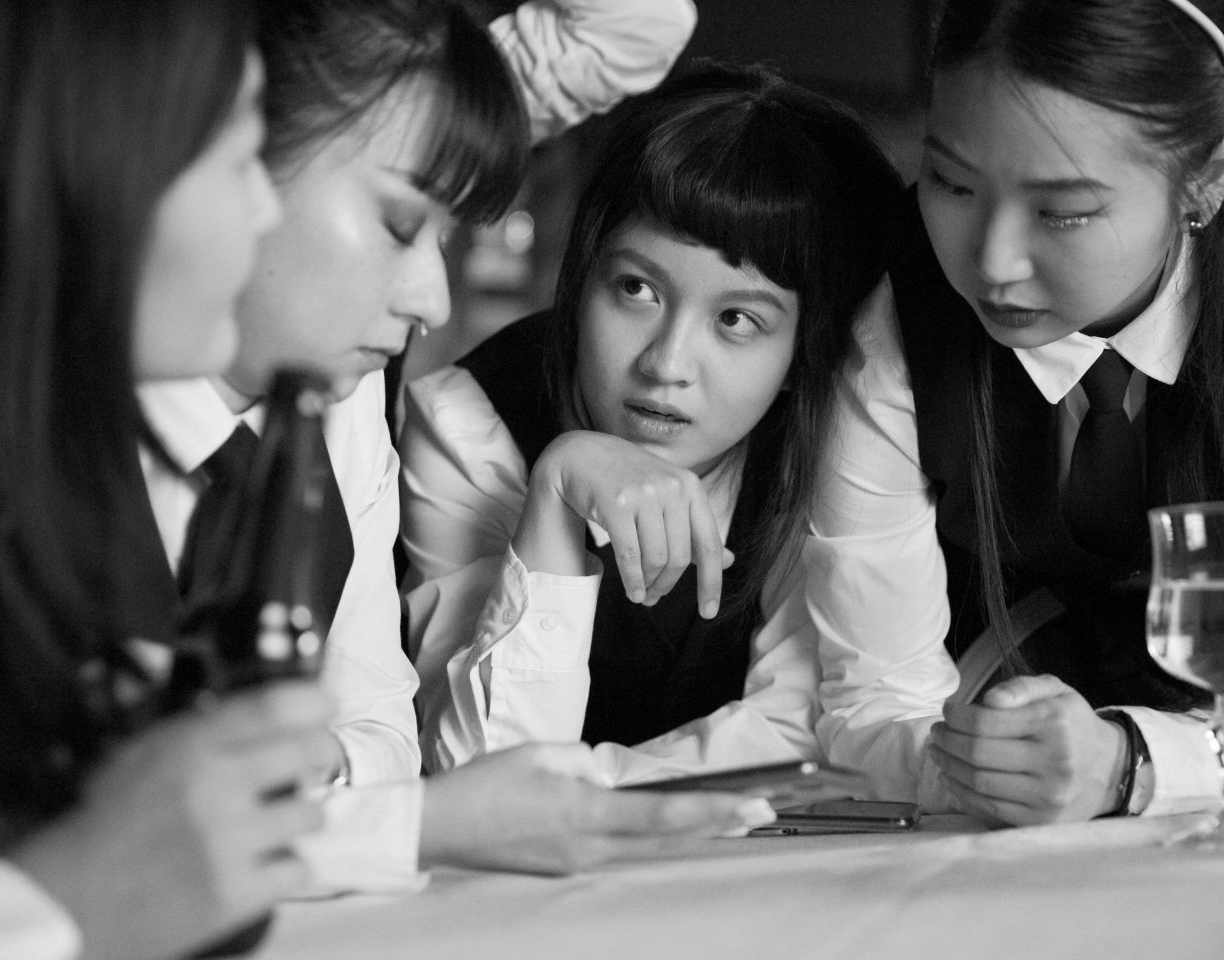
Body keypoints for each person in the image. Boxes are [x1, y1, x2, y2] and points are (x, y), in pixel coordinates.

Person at [135, 0, 768, 890]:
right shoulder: (6, 429)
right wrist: (382, 822)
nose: (433, 301)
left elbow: (380, 738)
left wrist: (310, 803)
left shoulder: (337, 400)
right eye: (401, 225)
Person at [806, 0, 1224, 826]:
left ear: (1210, 178)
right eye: (952, 183)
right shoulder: (893, 325)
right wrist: (986, 767)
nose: (992, 262)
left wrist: (1126, 765)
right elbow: (873, 704)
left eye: (1063, 211)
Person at [0, 1, 337, 958]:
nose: (266, 210)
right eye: (242, 156)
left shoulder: (28, 437)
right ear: (99, 155)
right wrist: (72, 896)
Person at [402, 60, 902, 783]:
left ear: (804, 350)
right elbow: (479, 776)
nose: (667, 364)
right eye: (636, 288)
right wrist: (554, 496)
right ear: (583, 276)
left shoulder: (841, 441)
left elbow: (804, 732)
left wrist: (589, 794)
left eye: (736, 320)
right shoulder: (470, 422)